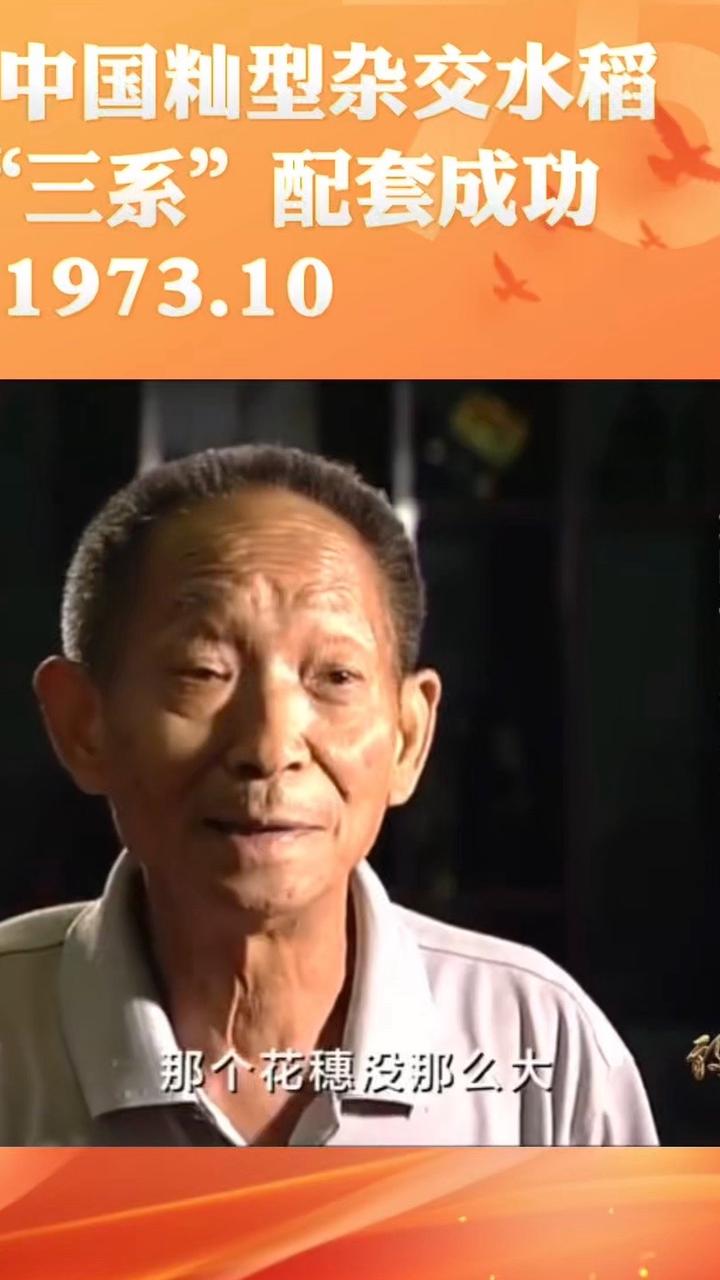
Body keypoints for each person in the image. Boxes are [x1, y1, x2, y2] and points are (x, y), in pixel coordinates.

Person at [0, 445, 658, 1146]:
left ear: (408, 736)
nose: (269, 746)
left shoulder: (537, 1045)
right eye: (202, 671)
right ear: (83, 725)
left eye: (336, 677)